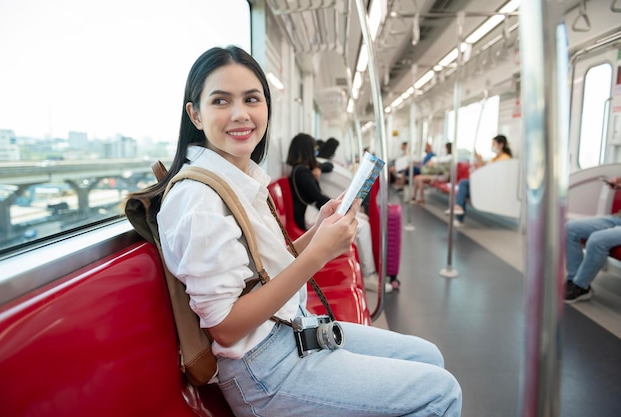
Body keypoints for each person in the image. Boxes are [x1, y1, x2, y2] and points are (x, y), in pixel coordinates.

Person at [139, 45, 460, 417]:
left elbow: (261, 270)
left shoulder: (236, 179)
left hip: (294, 330)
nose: (240, 114)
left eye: (251, 99)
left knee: (428, 355)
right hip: (263, 370)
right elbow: (225, 328)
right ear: (195, 114)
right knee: (440, 392)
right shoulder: (198, 200)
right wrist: (319, 253)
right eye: (221, 101)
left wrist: (317, 232)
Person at [287, 132, 393, 293]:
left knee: (360, 220)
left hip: (312, 211)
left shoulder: (302, 170)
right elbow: (317, 197)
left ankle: (366, 267)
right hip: (307, 217)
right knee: (362, 225)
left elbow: (326, 168)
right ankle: (369, 273)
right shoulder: (302, 172)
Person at [564, 176, 621, 303]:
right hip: (618, 217)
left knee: (597, 239)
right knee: (569, 228)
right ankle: (573, 280)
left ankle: (581, 286)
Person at [446, 135, 512, 226]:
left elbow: (495, 174)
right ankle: (459, 211)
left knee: (464, 183)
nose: (492, 146)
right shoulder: (494, 159)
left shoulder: (505, 158)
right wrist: (479, 160)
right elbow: (486, 171)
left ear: (501, 145)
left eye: (493, 144)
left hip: (492, 187)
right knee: (463, 189)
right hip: (486, 184)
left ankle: (459, 212)